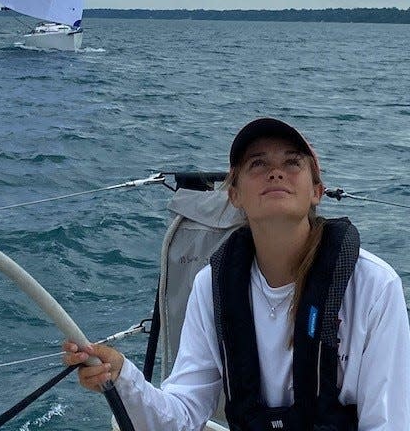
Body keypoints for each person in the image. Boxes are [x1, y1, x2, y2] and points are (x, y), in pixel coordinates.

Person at [63, 117, 410, 430]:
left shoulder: (373, 286)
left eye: (292, 162)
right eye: (258, 164)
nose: (276, 172)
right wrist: (122, 377)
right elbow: (182, 414)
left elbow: (387, 423)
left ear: (316, 191)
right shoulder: (211, 286)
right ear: (234, 194)